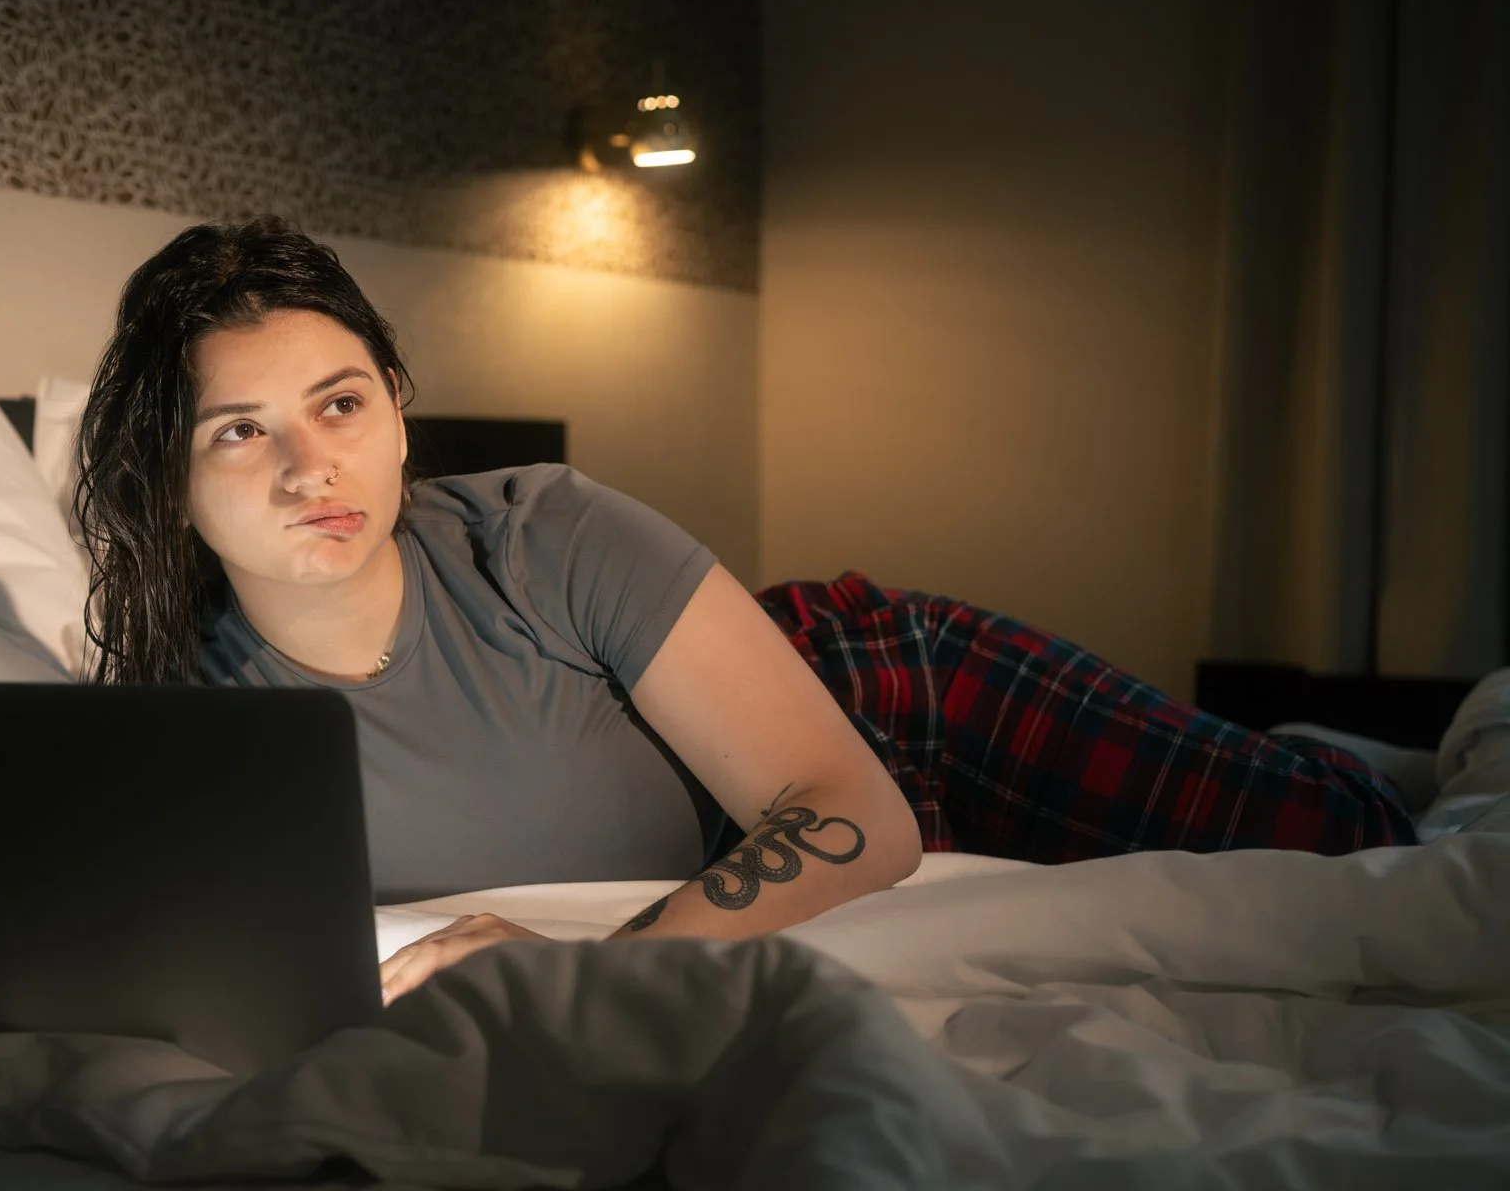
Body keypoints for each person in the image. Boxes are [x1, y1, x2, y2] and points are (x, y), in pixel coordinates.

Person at [74, 218, 1416, 1005]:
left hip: (886, 700)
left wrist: (591, 970)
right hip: (790, 866)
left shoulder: (539, 536)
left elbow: (859, 813)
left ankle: (1410, 750)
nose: (310, 467)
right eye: (239, 430)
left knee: (1353, 839)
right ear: (166, 480)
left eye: (342, 404)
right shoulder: (176, 714)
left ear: (399, 415)